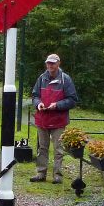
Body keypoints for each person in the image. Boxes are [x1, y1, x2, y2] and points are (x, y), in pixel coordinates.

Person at [30, 53, 79, 184]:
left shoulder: (65, 79)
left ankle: (57, 175)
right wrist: (38, 103)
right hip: (43, 119)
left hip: (58, 120)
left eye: (52, 63)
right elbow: (35, 95)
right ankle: (41, 173)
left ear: (58, 64)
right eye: (48, 63)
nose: (50, 65)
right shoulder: (41, 78)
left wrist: (57, 105)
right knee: (42, 148)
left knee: (58, 148)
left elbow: (73, 100)